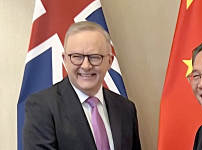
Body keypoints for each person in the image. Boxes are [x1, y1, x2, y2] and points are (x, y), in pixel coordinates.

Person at [23, 21, 141, 150]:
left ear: (109, 61)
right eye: (77, 57)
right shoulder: (42, 107)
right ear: (65, 59)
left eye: (95, 57)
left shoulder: (126, 109)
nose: (86, 66)